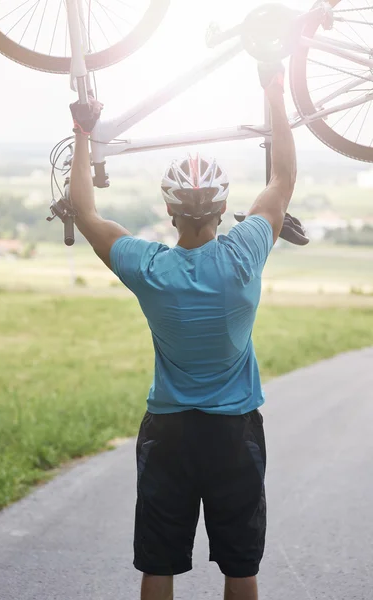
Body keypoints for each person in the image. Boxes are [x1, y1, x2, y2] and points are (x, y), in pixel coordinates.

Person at [69, 63, 297, 600]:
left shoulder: (148, 268)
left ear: (170, 210)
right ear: (222, 209)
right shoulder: (244, 255)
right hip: (234, 433)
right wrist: (274, 91)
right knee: (240, 565)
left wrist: (83, 133)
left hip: (169, 432)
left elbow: (84, 211)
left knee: (160, 561)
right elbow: (282, 180)